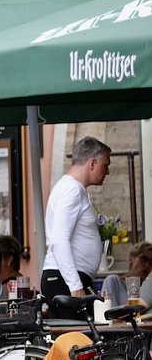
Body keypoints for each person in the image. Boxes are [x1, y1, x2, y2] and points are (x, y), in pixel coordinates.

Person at [41, 136, 112, 319]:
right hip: (65, 279)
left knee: (81, 342)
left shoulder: (72, 188)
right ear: (92, 163)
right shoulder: (71, 190)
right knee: (79, 342)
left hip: (66, 277)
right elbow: (59, 240)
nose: (108, 171)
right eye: (105, 165)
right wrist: (75, 287)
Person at [104, 241, 152, 306]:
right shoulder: (114, 282)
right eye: (144, 259)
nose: (147, 265)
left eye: (151, 261)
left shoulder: (149, 288)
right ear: (131, 259)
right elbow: (110, 313)